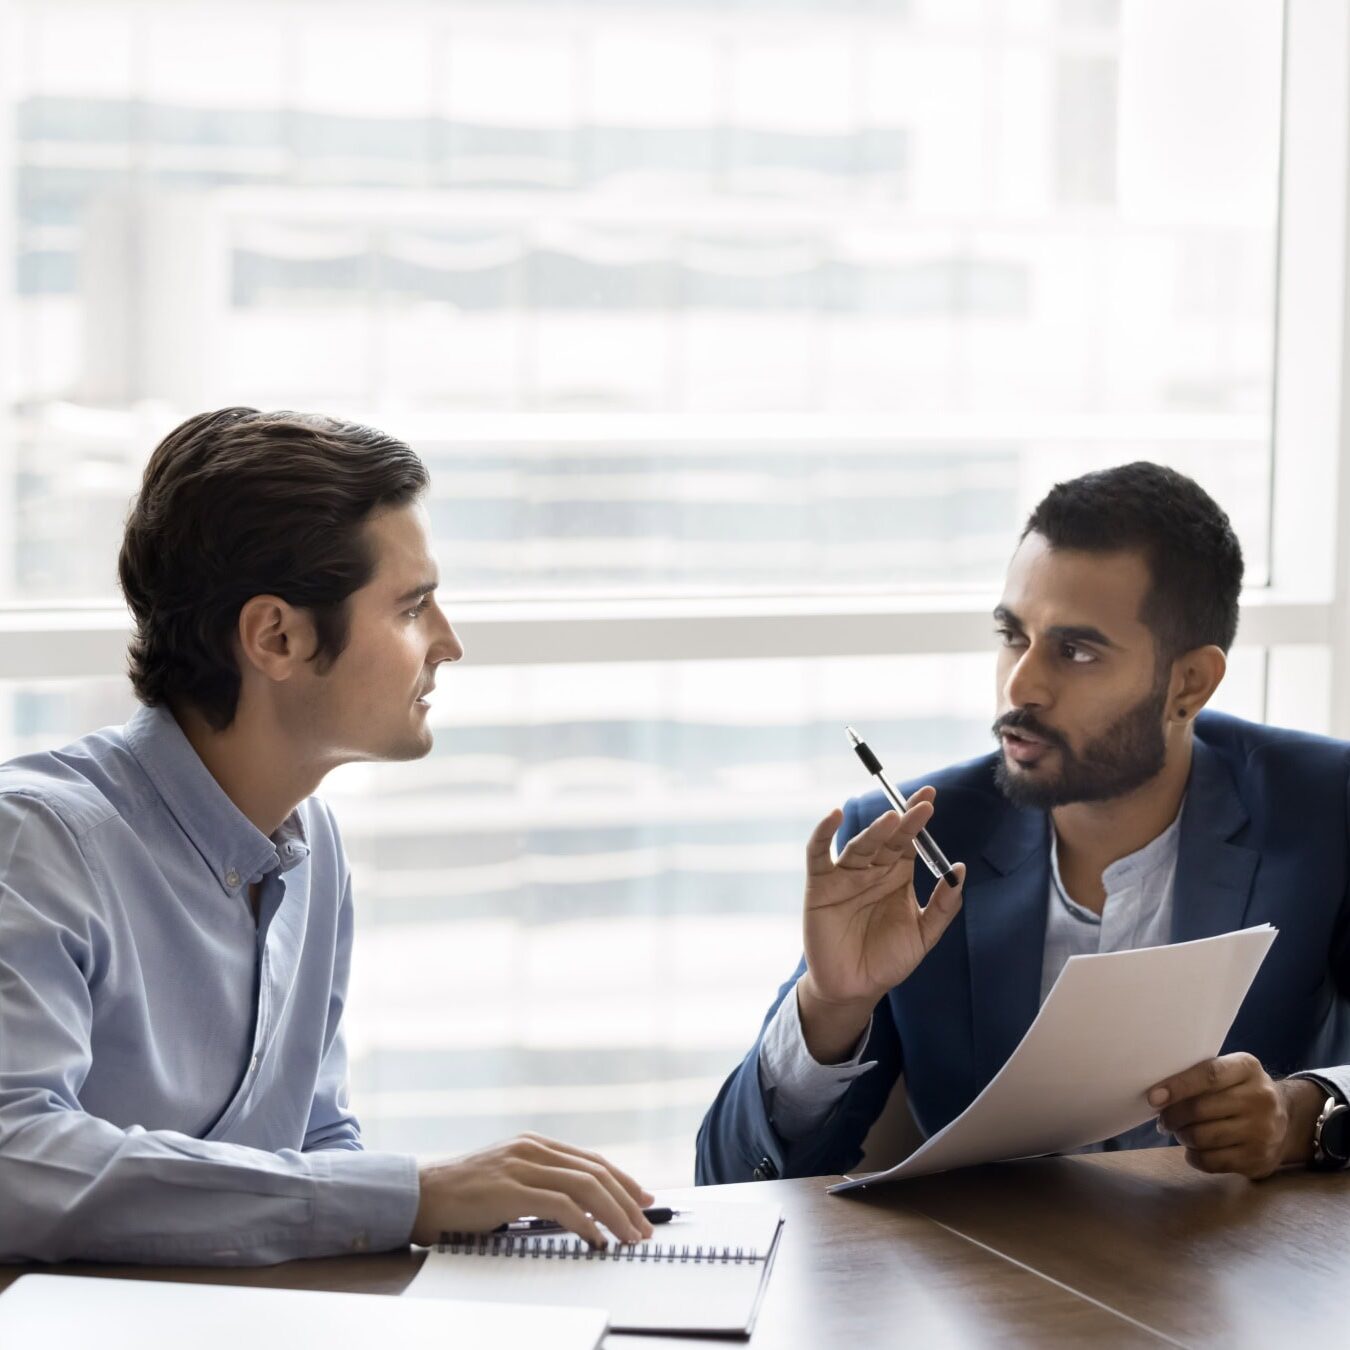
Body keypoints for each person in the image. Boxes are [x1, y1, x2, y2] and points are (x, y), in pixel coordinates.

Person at [0, 408, 655, 1264]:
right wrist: (412, 1195)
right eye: (412, 608)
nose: (449, 644)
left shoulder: (311, 845)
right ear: (277, 636)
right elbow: (15, 1161)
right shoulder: (36, 843)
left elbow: (315, 1145)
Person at [697, 462, 1350, 1187]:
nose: (1021, 684)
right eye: (1013, 636)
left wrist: (1304, 1116)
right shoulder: (911, 843)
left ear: (1189, 683)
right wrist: (832, 1006)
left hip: (1244, 1280)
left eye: (1075, 651)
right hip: (998, 1289)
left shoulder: (1324, 809)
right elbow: (731, 1182)